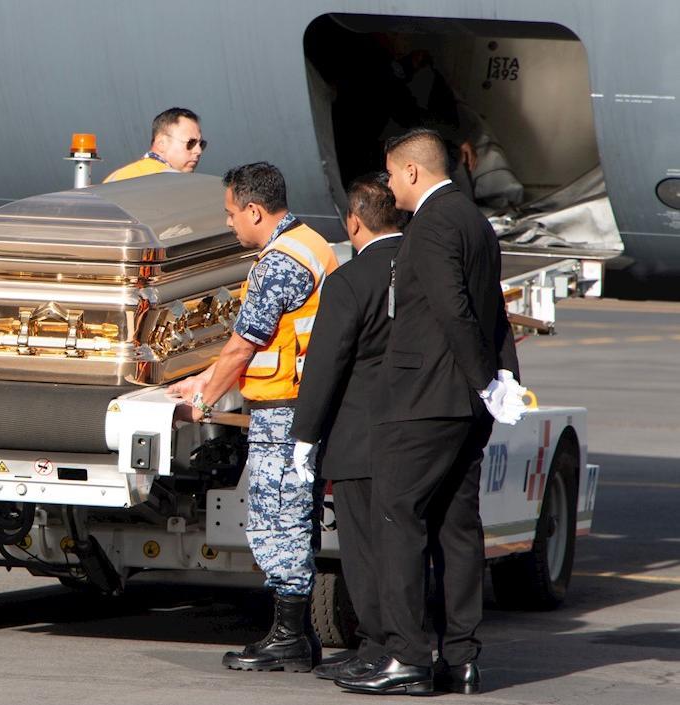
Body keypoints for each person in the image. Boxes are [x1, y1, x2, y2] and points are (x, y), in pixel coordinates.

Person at [334, 128, 526, 696]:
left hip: (423, 401)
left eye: (391, 175)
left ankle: (409, 656)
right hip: (462, 403)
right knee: (457, 527)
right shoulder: (474, 221)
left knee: (397, 520)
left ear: (413, 172)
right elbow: (495, 311)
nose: (389, 187)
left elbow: (454, 309)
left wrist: (486, 378)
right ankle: (462, 657)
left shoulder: (435, 223)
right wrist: (500, 380)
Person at [169, 162, 338, 672]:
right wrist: (205, 381)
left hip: (282, 413)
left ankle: (288, 635)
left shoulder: (278, 262)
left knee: (275, 519)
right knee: (295, 517)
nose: (229, 224)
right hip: (303, 403)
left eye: (230, 214)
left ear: (254, 210)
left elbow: (244, 345)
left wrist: (201, 403)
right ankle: (298, 632)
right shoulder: (310, 242)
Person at [288, 174, 407, 681]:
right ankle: (407, 643)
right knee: (406, 546)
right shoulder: (426, 268)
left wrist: (305, 434)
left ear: (353, 222)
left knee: (362, 551)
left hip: (361, 437)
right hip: (419, 433)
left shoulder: (350, 281)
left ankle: (377, 644)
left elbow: (326, 364)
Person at [102, 107, 205, 182]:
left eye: (201, 144)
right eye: (191, 143)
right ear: (161, 143)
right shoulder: (172, 183)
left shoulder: (115, 177)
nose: (198, 151)